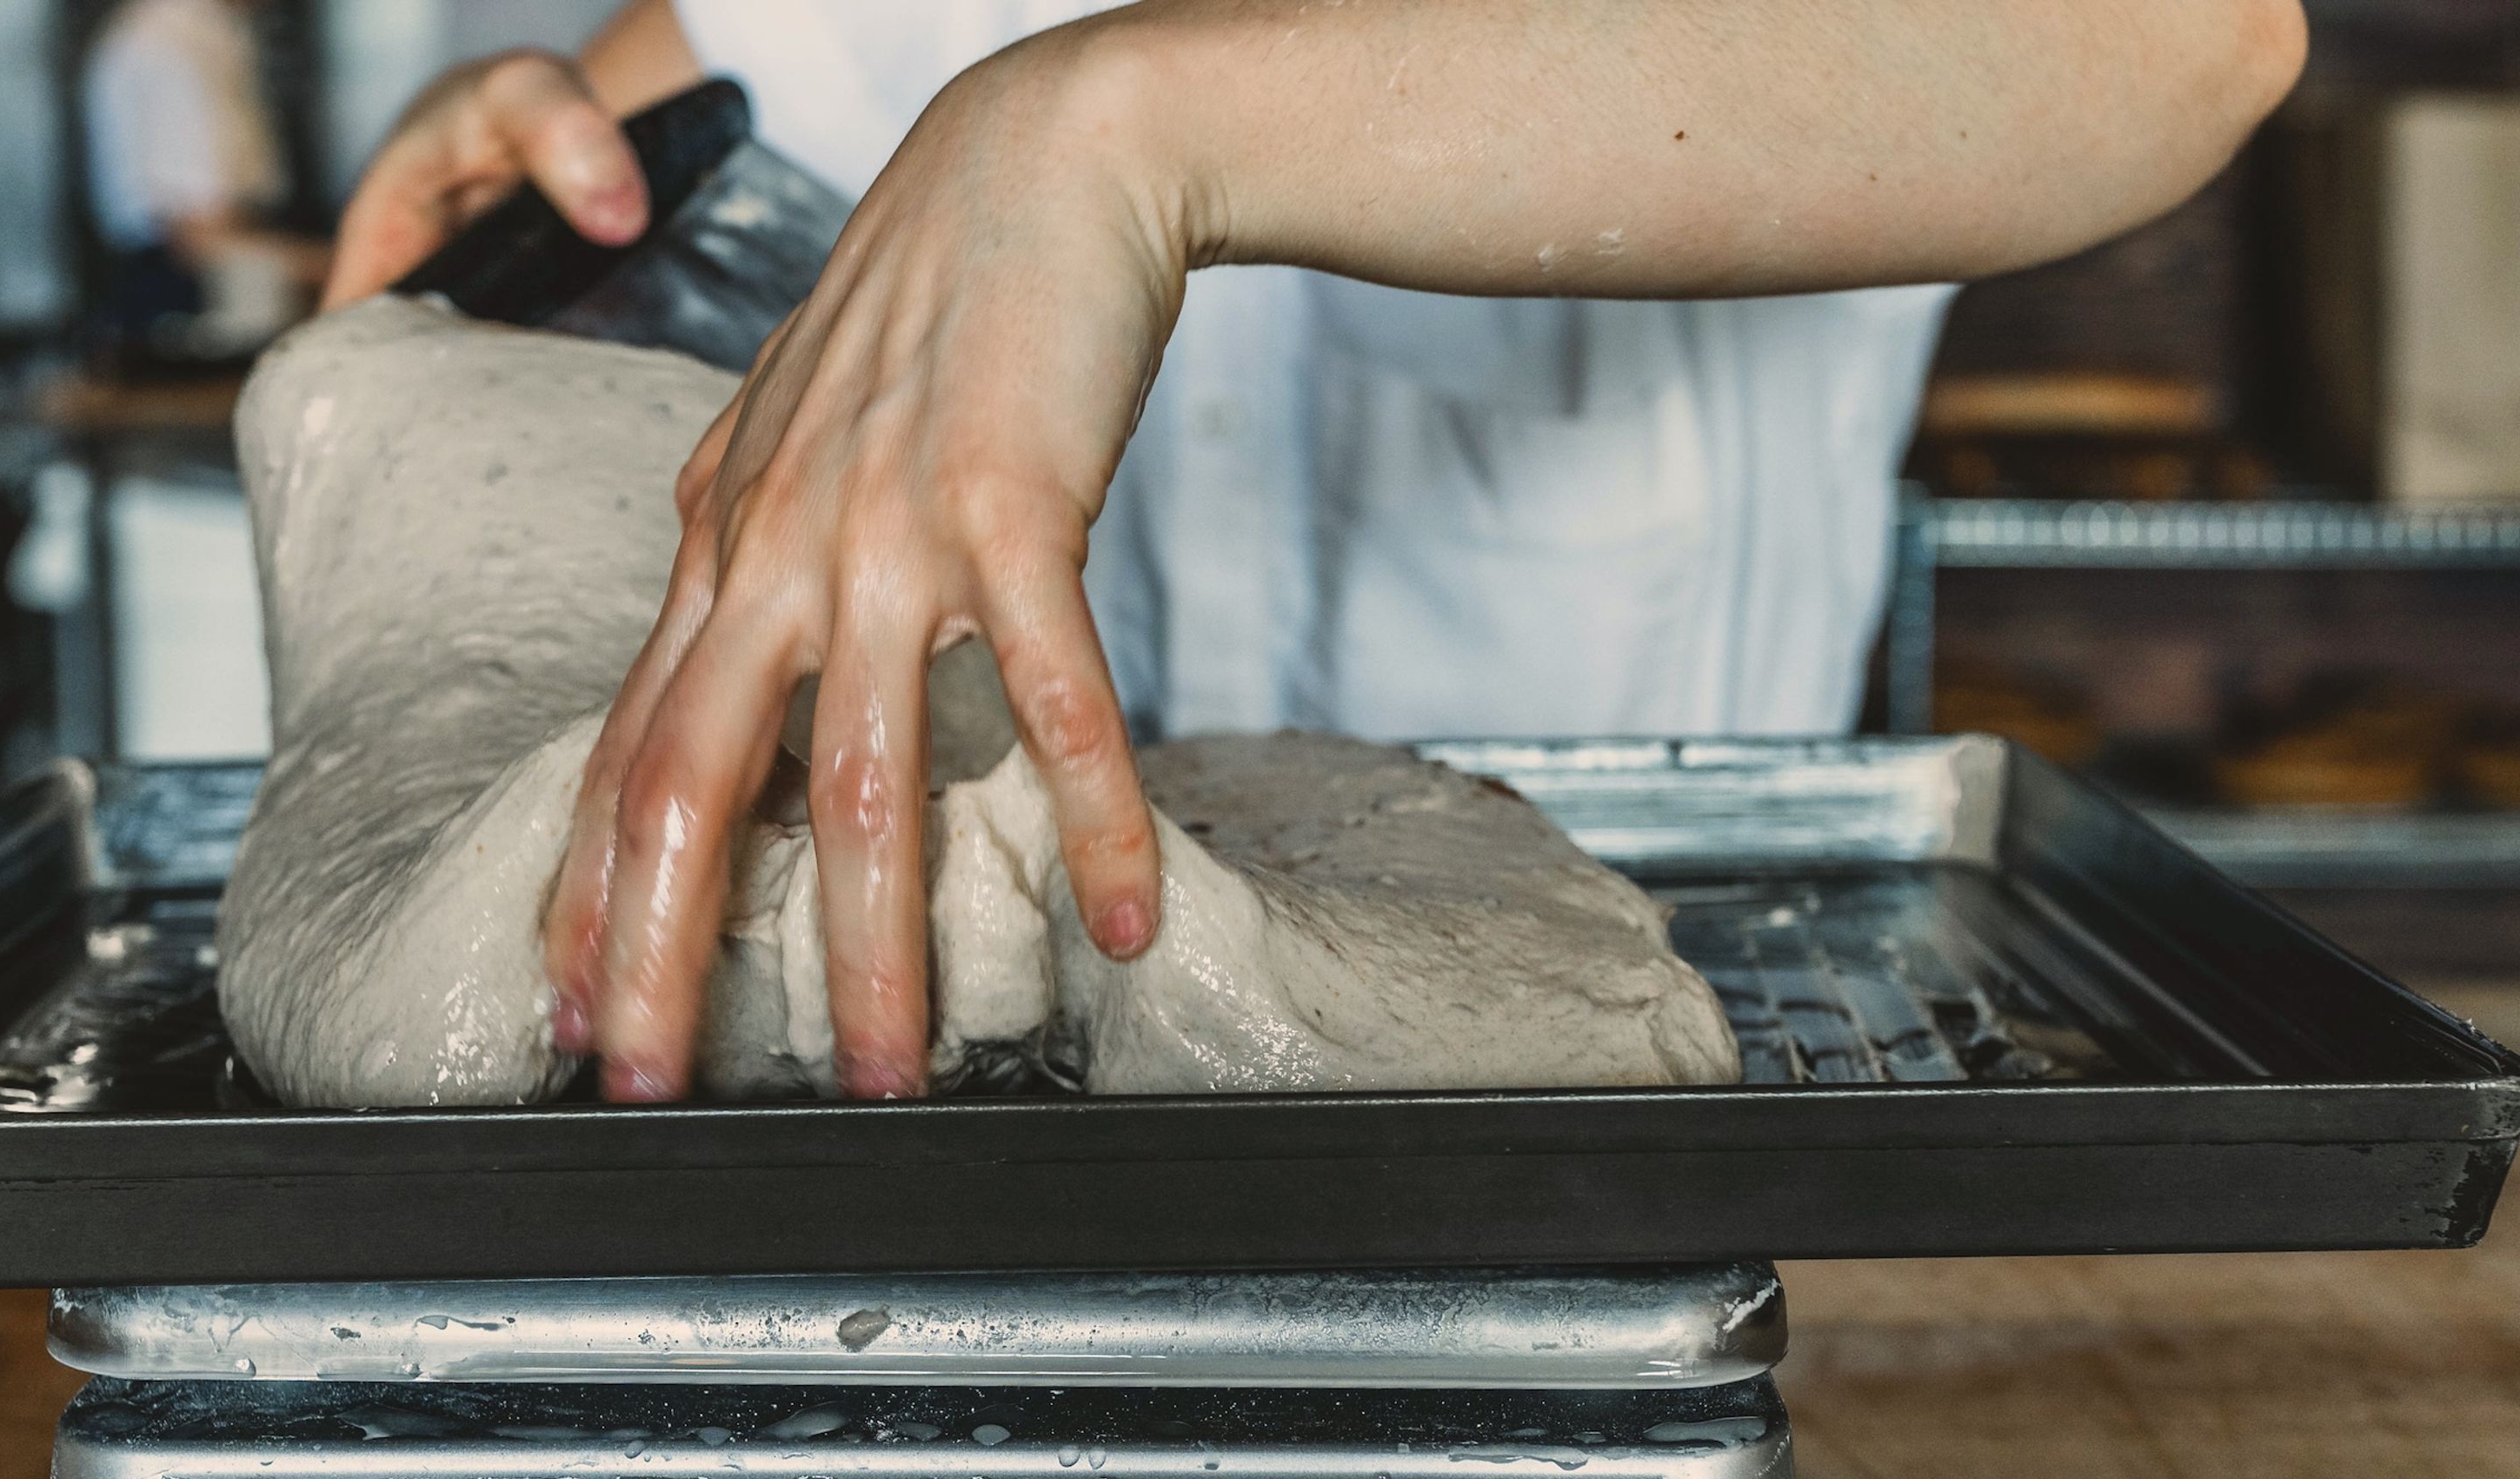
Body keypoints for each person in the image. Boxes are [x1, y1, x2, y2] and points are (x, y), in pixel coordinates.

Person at [322, 0, 2307, 1102]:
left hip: (1652, 1148)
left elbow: (2175, 42)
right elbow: (644, 130)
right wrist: (524, 141)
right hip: (1003, 1183)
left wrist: (1116, 127)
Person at [84, 0, 330, 354]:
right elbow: (198, 241)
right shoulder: (171, 45)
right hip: (185, 309)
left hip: (221, 287)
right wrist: (341, 264)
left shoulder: (215, 32)